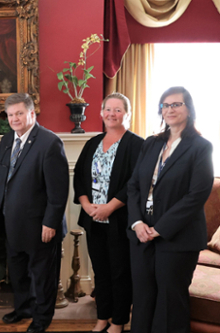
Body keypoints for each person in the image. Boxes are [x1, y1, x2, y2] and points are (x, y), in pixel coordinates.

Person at [0, 93, 69, 333]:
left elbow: (58, 190)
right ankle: (23, 309)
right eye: (11, 115)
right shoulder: (8, 139)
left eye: (19, 113)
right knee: (19, 274)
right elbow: (3, 177)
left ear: (32, 113)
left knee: (42, 277)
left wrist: (50, 223)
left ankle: (42, 320)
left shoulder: (50, 143)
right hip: (11, 223)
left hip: (41, 226)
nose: (14, 119)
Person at [127, 86, 213, 333]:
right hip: (142, 235)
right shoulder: (151, 143)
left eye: (177, 104)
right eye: (165, 105)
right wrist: (137, 223)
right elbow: (133, 186)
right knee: (142, 299)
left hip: (178, 238)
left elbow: (197, 195)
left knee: (169, 302)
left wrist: (160, 229)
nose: (170, 109)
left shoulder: (200, 147)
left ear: (189, 109)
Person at [73, 93, 143, 333]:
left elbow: (136, 182)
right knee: (100, 272)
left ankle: (118, 321)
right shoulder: (92, 142)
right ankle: (102, 317)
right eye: (108, 109)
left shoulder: (137, 144)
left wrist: (110, 206)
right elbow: (80, 177)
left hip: (120, 220)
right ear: (101, 113)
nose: (112, 114)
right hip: (94, 220)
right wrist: (85, 203)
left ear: (127, 114)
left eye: (118, 110)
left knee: (120, 272)